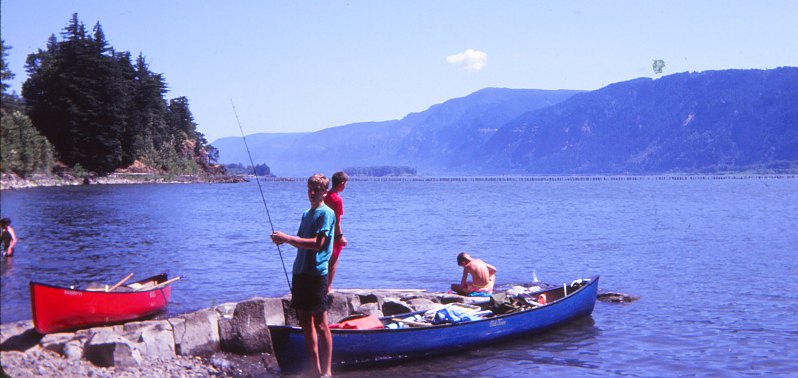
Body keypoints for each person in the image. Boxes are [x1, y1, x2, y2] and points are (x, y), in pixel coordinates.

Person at [271, 173, 336, 377]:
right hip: (300, 272)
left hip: (316, 274)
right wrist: (284, 240)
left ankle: (327, 372)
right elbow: (300, 240)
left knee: (321, 324)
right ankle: (315, 371)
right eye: (310, 189)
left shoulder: (326, 213)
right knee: (306, 324)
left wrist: (287, 238)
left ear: (324, 192)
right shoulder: (306, 213)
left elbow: (318, 244)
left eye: (316, 189)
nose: (312, 192)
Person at [324, 171, 349, 292]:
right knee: (333, 260)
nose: (345, 187)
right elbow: (337, 220)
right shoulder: (337, 200)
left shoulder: (325, 196)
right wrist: (340, 236)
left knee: (325, 259)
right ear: (342, 183)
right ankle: (328, 287)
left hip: (324, 231)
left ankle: (322, 285)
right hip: (334, 233)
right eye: (345, 184)